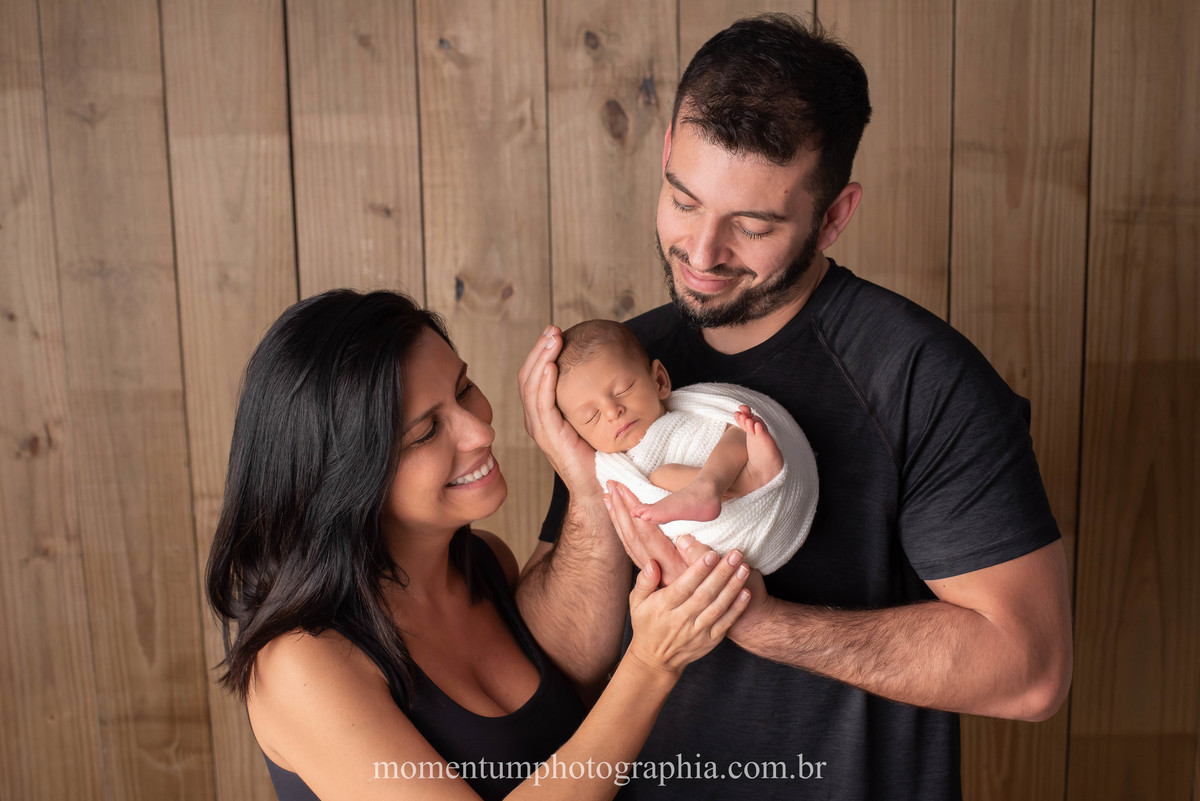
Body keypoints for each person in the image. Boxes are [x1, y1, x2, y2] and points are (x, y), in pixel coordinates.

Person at [515, 13, 1072, 801]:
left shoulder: (922, 378)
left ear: (834, 215)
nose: (702, 254)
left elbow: (1031, 671)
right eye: (683, 201)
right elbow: (562, 663)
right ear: (667, 155)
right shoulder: (617, 370)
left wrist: (761, 621)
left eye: (751, 225)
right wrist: (583, 484)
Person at [205, 289, 752, 801]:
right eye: (425, 432)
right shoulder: (301, 662)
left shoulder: (485, 562)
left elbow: (579, 739)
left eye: (464, 388)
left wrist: (589, 484)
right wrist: (651, 665)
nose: (479, 432)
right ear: (343, 478)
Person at [554, 318, 818, 573]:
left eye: (623, 389)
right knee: (660, 477)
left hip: (759, 472)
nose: (613, 411)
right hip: (727, 533)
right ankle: (742, 483)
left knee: (738, 427)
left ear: (659, 381)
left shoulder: (690, 411)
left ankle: (741, 478)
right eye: (592, 416)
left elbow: (728, 415)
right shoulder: (619, 469)